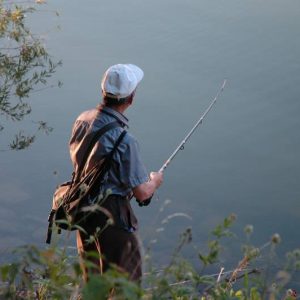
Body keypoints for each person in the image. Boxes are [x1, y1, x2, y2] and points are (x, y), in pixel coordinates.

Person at [69, 64, 163, 282]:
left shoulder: (82, 120)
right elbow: (141, 193)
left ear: (104, 92)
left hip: (82, 207)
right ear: (131, 98)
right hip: (111, 215)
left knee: (92, 283)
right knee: (126, 284)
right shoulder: (125, 140)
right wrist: (154, 181)